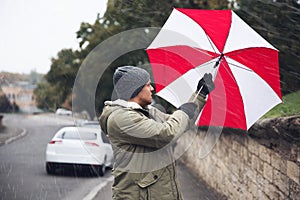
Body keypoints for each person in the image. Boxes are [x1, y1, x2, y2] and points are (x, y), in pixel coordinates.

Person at [100, 66, 215, 200]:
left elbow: (179, 124)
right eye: (148, 85)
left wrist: (200, 95)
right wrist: (182, 112)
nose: (152, 89)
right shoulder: (122, 118)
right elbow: (167, 134)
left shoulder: (148, 112)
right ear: (135, 89)